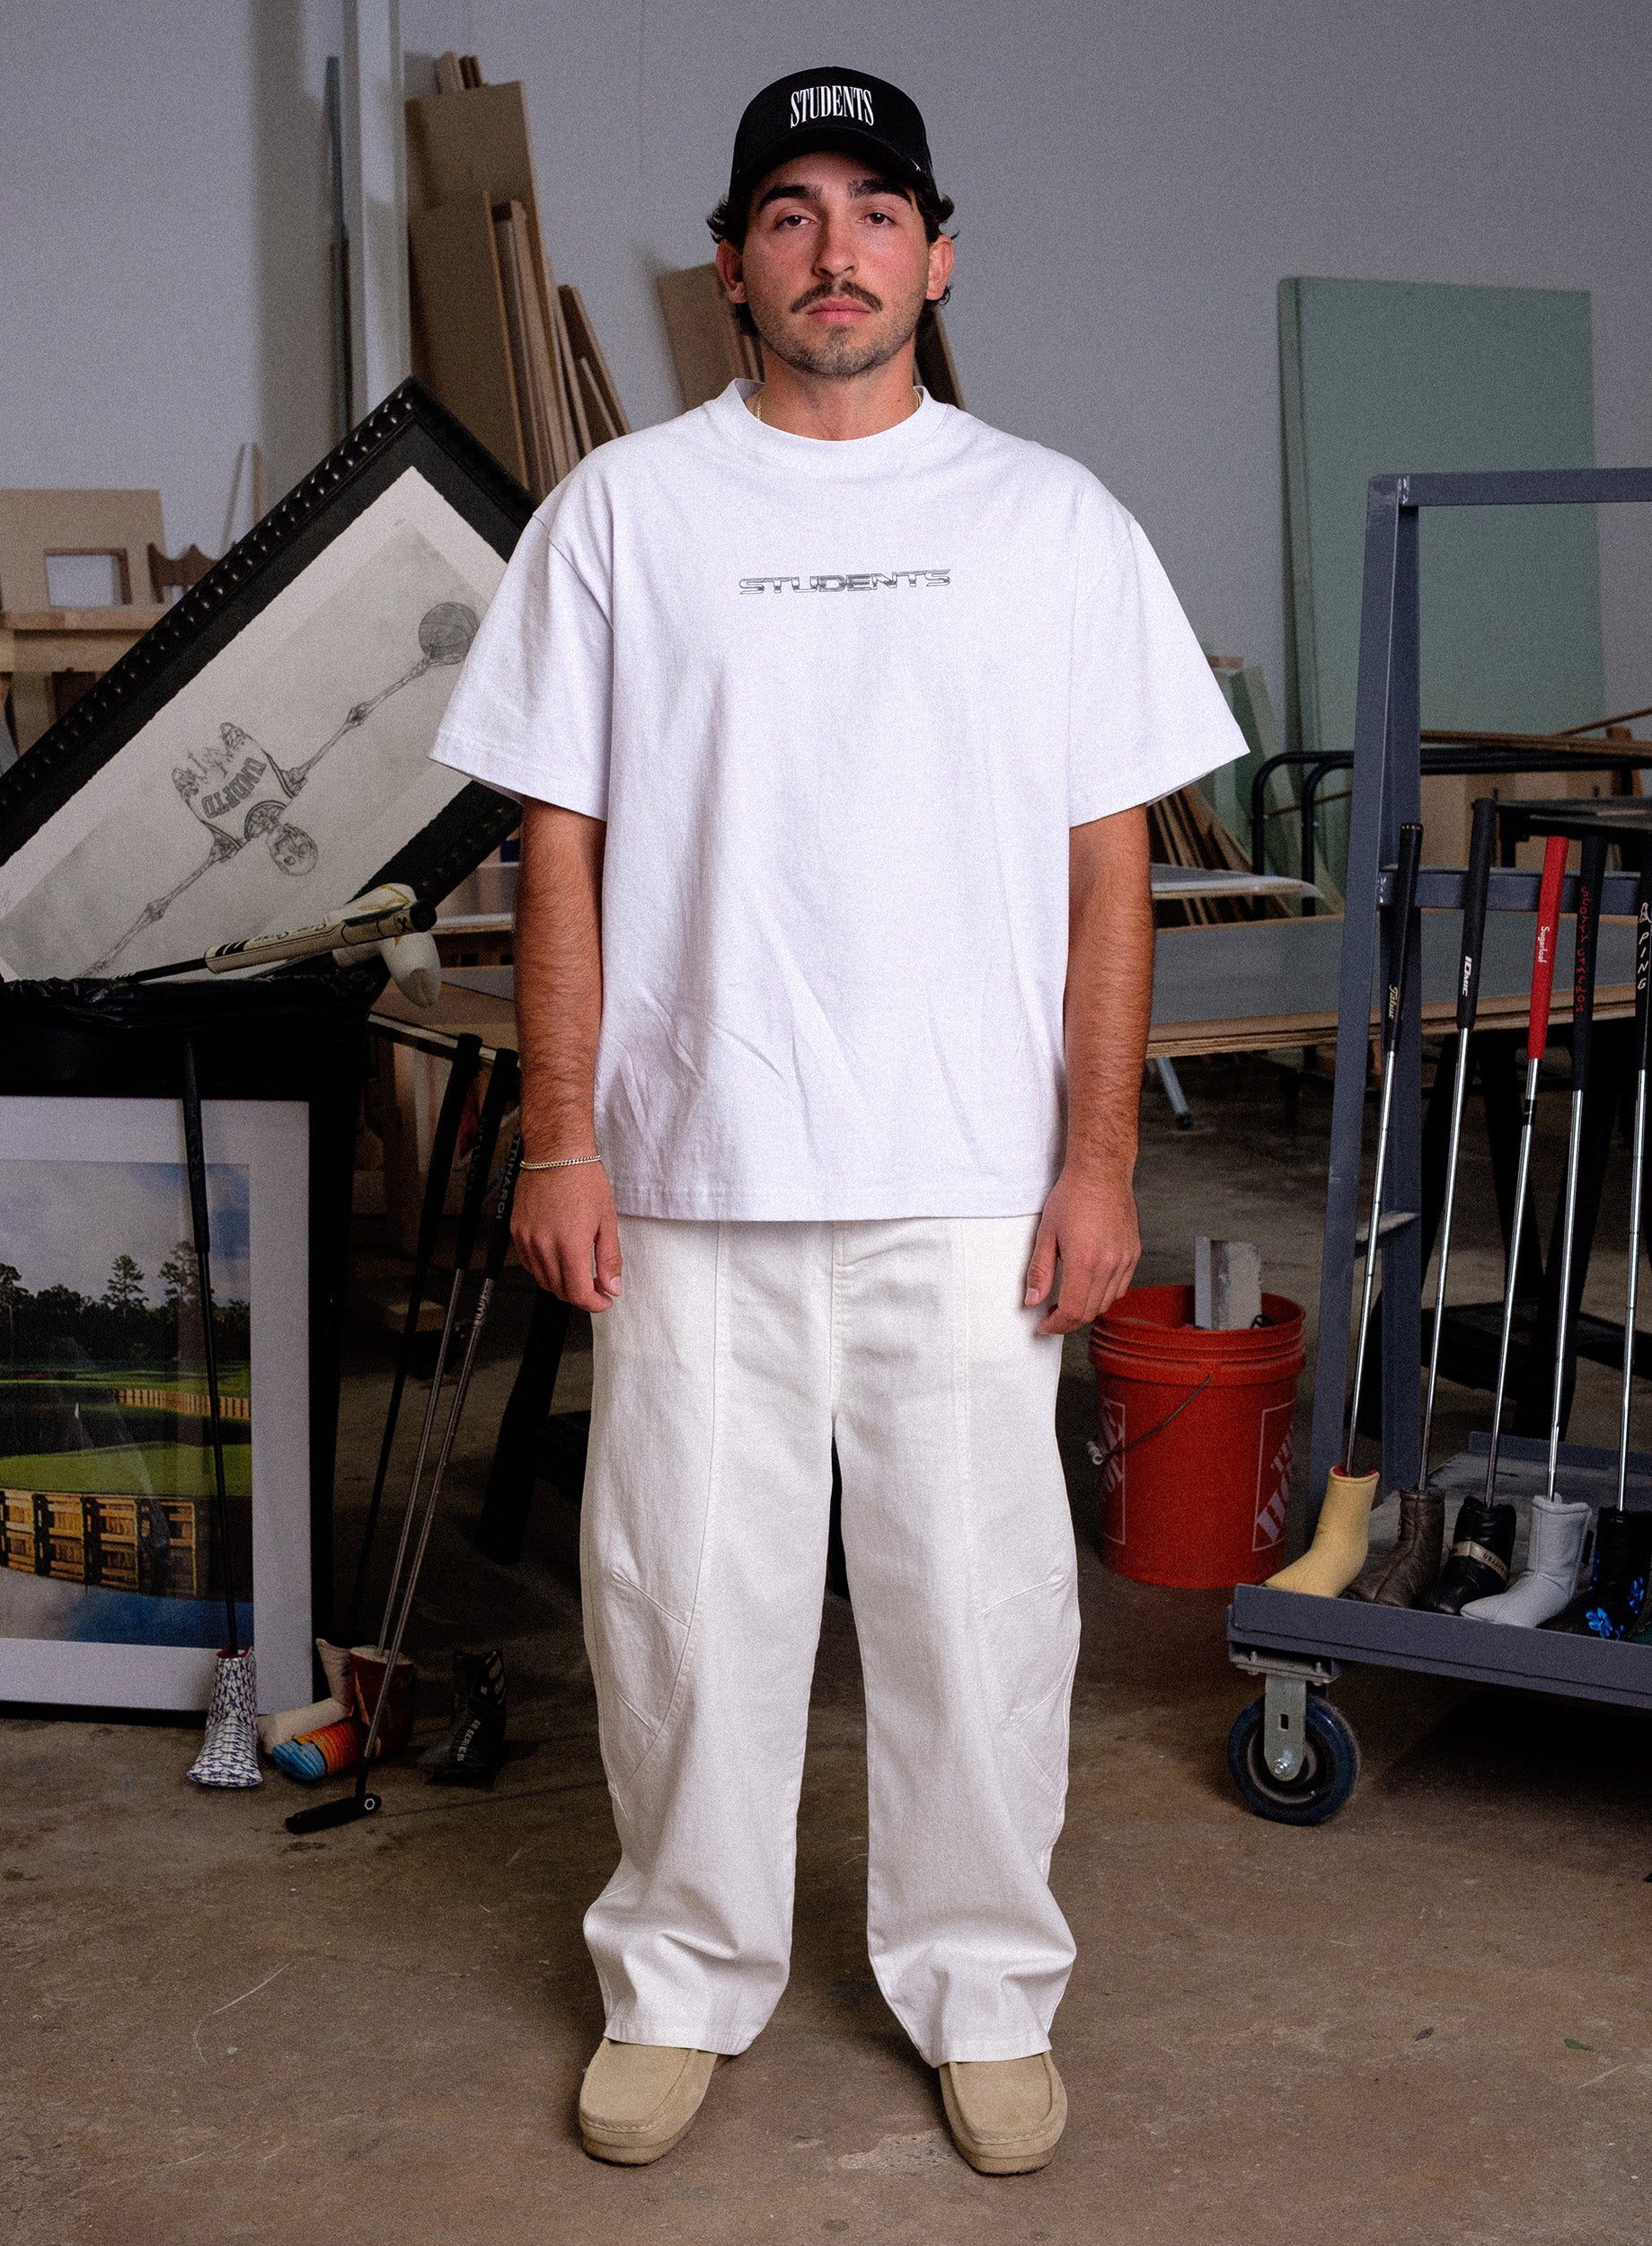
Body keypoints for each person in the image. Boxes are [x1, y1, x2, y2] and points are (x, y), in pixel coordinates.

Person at [432, 64, 1244, 2176]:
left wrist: (1094, 1159)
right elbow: (560, 844)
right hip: (693, 1174)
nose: (835, 250)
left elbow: (1109, 869)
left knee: (978, 1612)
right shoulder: (623, 514)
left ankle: (984, 1988)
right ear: (733, 265)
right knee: (686, 1608)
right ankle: (679, 1980)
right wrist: (558, 1139)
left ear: (938, 255)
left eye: (876, 211)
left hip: (972, 1186)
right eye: (789, 213)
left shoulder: (1048, 518)